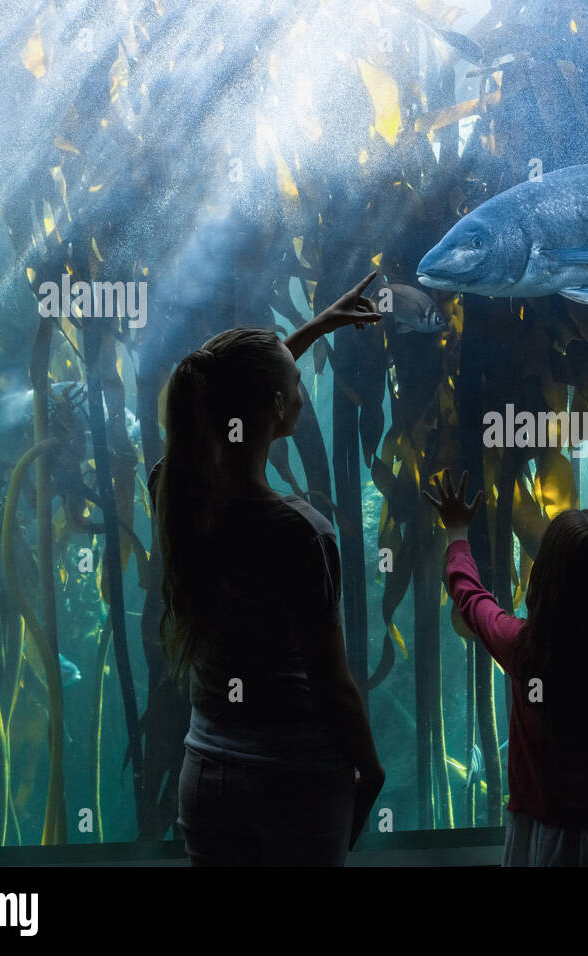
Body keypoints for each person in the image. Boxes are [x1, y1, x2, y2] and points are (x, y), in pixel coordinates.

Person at [150, 271, 386, 866]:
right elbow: (333, 685)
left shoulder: (172, 493)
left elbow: (227, 396)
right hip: (295, 783)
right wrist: (372, 767)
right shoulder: (303, 532)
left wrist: (313, 328)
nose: (303, 392)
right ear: (277, 407)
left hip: (207, 772)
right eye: (296, 384)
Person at [424, 461, 588, 866]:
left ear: (543, 580)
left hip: (550, 837)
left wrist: (457, 533)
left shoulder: (523, 647)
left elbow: (469, 596)